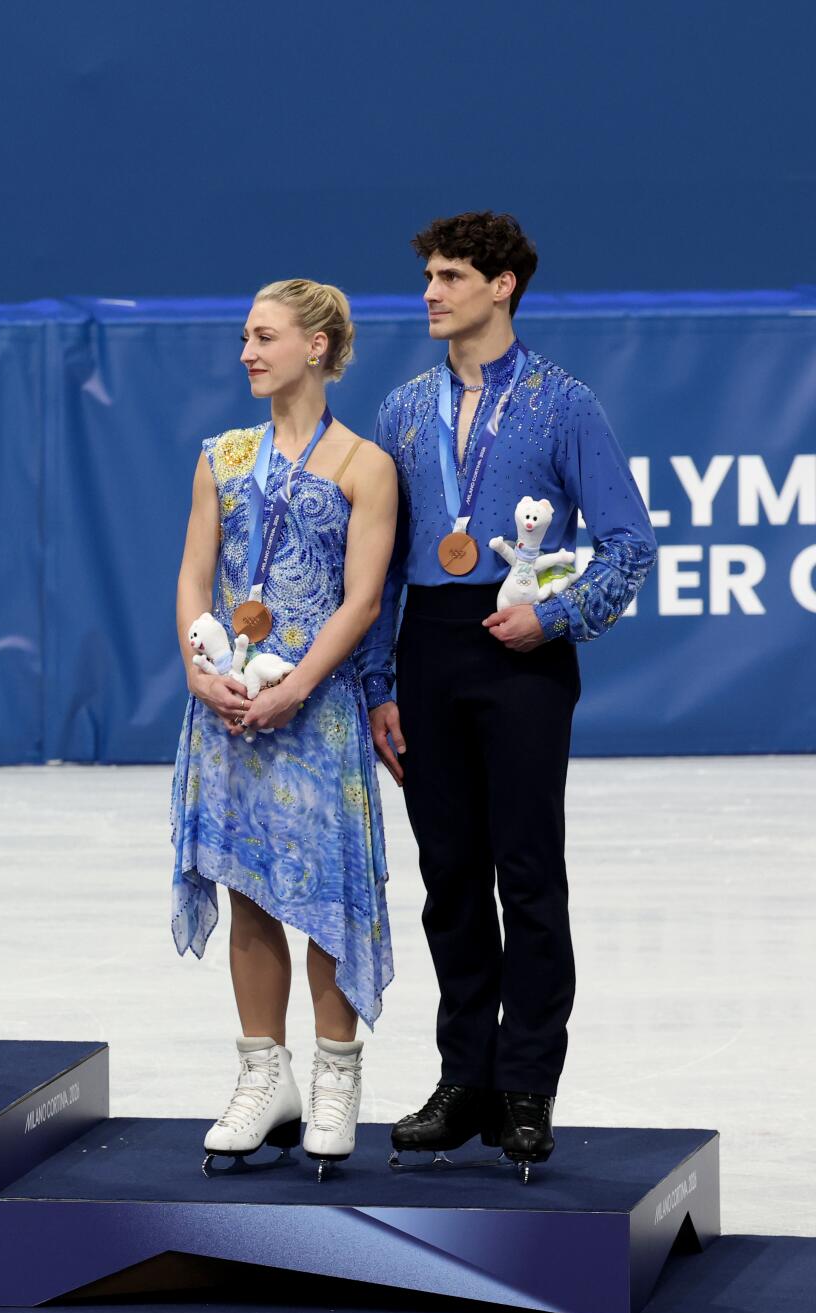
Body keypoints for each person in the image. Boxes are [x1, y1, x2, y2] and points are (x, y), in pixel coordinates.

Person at [360, 213, 654, 1176]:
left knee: (525, 873)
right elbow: (384, 566)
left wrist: (556, 618)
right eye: (430, 277)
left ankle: (528, 1085)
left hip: (522, 645)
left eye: (451, 277)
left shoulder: (564, 404)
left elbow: (628, 545)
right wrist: (378, 685)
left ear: (504, 286)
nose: (432, 292)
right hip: (429, 653)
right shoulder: (403, 409)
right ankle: (464, 1079)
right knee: (449, 878)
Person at [171, 280, 398, 1176]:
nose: (247, 353)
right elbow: (194, 575)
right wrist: (200, 666)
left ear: (318, 344)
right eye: (243, 337)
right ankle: (265, 1075)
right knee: (250, 893)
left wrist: (298, 685)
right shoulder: (222, 456)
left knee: (328, 898)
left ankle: (335, 1075)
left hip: (315, 711)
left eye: (263, 336)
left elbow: (365, 598)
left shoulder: (364, 465)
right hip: (229, 711)